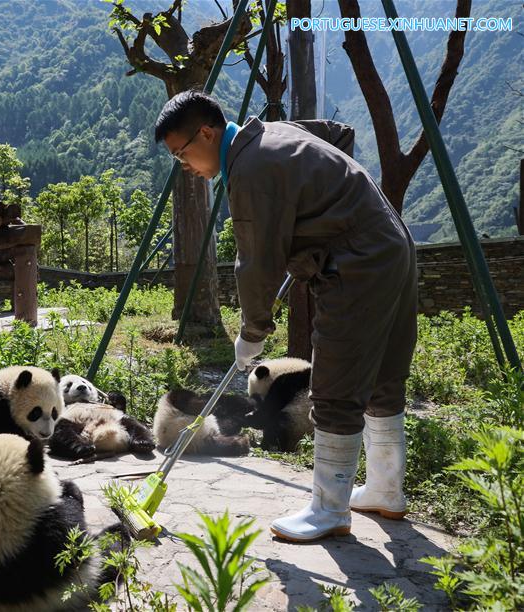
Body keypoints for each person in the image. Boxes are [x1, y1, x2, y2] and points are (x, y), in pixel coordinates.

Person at [154, 90, 417, 542]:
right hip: (390, 246)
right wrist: (321, 216)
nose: (186, 166)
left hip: (355, 263)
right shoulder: (273, 136)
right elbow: (338, 136)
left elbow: (255, 263)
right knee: (383, 377)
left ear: (206, 132)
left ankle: (328, 509)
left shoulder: (251, 169)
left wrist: (252, 333)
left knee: (334, 382)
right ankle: (385, 489)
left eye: (182, 154)